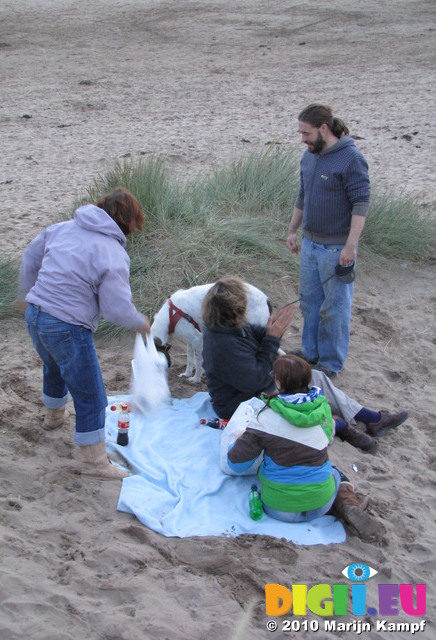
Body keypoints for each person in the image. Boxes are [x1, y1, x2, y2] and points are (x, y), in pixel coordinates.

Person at [19, 187, 151, 480]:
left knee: (53, 366)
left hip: (35, 314)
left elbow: (29, 257)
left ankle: (53, 417)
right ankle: (92, 461)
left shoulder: (61, 228)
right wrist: (139, 321)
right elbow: (116, 308)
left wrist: (29, 292)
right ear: (128, 222)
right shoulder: (113, 253)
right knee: (91, 393)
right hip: (67, 326)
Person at [202, 276, 408, 451]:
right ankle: (340, 427)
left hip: (250, 387)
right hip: (238, 404)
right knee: (298, 396)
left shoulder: (226, 325)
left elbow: (256, 341)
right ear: (236, 310)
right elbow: (255, 380)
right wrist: (272, 339)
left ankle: (371, 419)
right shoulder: (221, 343)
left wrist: (271, 331)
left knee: (313, 375)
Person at [226, 354, 385, 542]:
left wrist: (240, 439)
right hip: (321, 505)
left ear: (278, 383)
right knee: (334, 473)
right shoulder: (322, 408)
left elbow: (236, 464)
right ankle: (349, 505)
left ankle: (340, 505)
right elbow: (325, 440)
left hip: (279, 508)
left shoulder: (264, 418)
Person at [286, 103, 371, 377]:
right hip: (310, 244)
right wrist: (292, 230)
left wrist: (350, 246)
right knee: (309, 302)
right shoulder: (309, 156)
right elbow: (302, 196)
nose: (303, 139)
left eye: (306, 133)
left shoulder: (351, 158)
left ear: (324, 128)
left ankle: (331, 364)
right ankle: (310, 353)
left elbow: (361, 204)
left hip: (336, 249)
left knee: (334, 309)